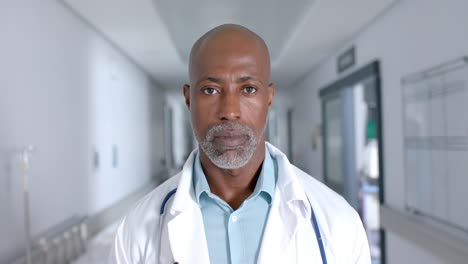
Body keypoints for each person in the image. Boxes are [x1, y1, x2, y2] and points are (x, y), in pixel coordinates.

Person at [109, 24, 370, 264]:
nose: (230, 111)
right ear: (188, 99)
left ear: (269, 98)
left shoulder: (338, 223)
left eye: (248, 89)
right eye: (211, 90)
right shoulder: (137, 230)